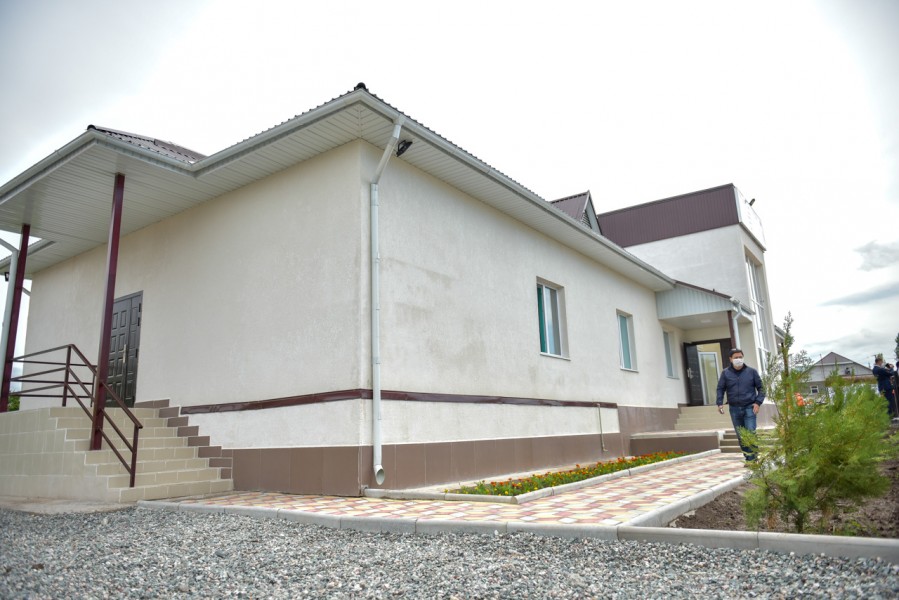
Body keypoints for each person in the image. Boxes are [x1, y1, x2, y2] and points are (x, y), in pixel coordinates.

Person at [716, 348, 765, 461]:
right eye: (736, 357)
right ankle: (748, 457)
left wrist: (758, 402)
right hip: (734, 409)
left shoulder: (752, 372)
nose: (738, 359)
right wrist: (719, 403)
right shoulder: (725, 373)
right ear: (730, 359)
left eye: (740, 357)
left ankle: (752, 459)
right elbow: (720, 388)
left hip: (750, 407)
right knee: (741, 435)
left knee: (750, 432)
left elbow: (761, 388)